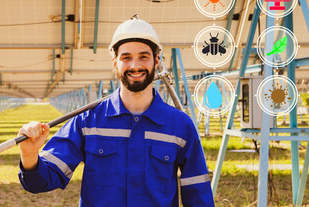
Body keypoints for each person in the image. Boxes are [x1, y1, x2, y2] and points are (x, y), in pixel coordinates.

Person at [18, 16, 215, 207]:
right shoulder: (87, 122)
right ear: (115, 63)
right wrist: (29, 156)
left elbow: (198, 193)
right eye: (126, 58)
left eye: (143, 57)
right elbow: (42, 181)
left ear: (156, 61)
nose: (135, 65)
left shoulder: (180, 125)